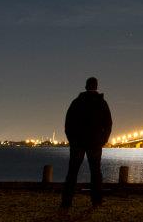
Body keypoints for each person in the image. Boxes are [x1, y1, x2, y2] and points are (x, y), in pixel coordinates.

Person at [61, 77, 112, 209]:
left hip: (77, 143)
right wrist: (103, 140)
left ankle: (66, 202)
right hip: (95, 143)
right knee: (95, 172)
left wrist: (72, 140)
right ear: (97, 86)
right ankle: (97, 201)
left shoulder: (77, 102)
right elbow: (108, 124)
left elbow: (68, 124)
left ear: (85, 87)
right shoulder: (102, 103)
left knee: (72, 172)